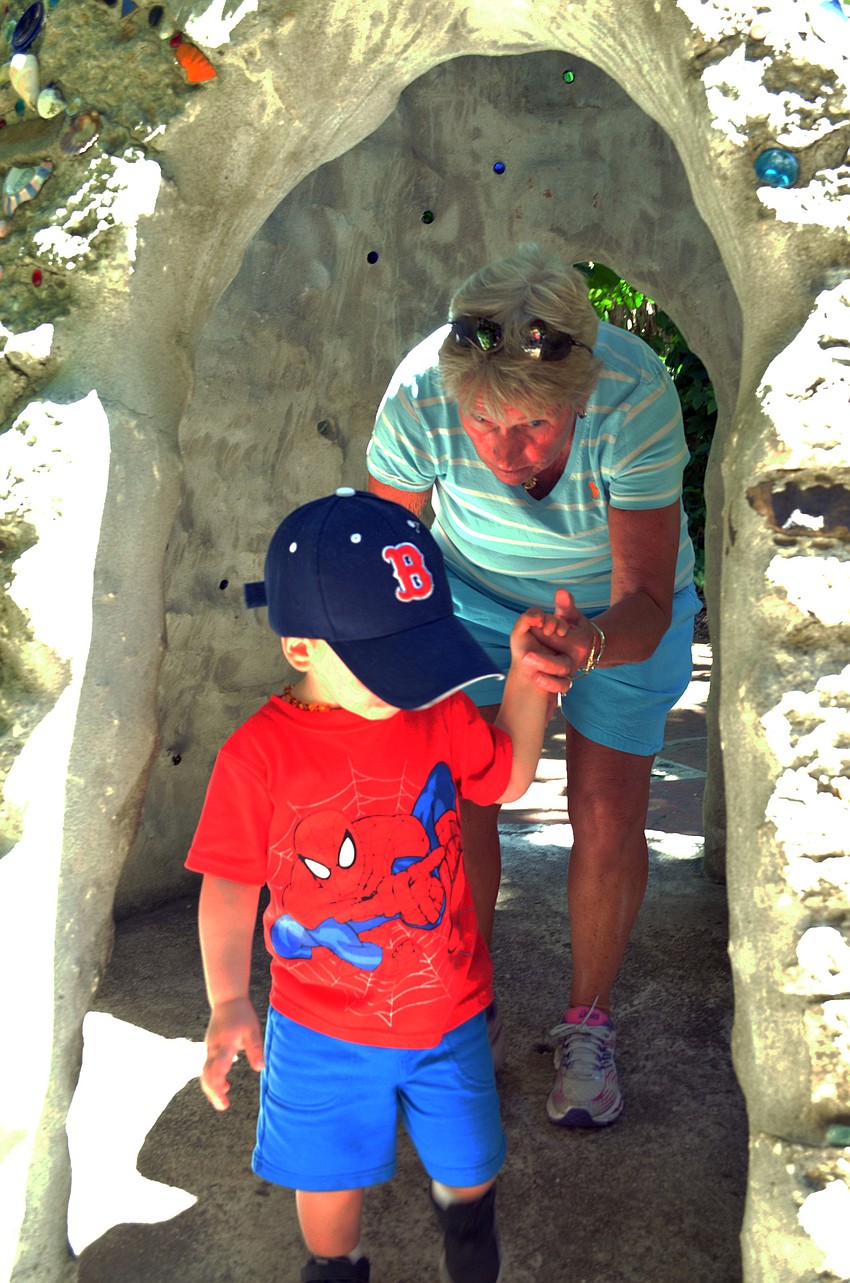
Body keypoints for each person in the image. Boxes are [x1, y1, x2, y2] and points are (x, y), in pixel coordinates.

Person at [186, 487, 571, 1283]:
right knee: (326, 1186)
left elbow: (506, 776)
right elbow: (229, 887)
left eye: (418, 653)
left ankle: (465, 1229)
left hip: (448, 1011)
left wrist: (529, 682)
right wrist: (228, 998)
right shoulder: (255, 756)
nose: (409, 682)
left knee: (471, 1168)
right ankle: (338, 1266)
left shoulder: (437, 712)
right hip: (318, 1026)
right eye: (383, 663)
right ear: (300, 645)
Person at [366, 243, 700, 1129]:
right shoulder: (418, 393)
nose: (505, 451)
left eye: (533, 428)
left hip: (614, 617)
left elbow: (647, 600)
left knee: (605, 807)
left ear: (578, 395)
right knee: (456, 801)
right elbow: (385, 561)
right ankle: (463, 1007)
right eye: (482, 423)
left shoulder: (633, 398)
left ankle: (588, 1023)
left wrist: (583, 645)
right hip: (471, 599)